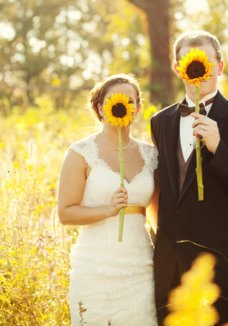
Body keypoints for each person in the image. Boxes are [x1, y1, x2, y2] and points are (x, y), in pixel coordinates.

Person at [150, 30, 228, 325]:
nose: (198, 71)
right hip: (171, 270)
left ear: (219, 66)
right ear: (179, 68)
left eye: (206, 63)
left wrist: (220, 150)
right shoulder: (160, 122)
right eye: (191, 64)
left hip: (225, 269)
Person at [58, 74, 159, 325]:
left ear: (136, 109)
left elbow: (158, 218)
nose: (123, 104)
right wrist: (108, 209)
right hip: (94, 267)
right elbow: (65, 213)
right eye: (115, 99)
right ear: (101, 108)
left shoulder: (151, 154)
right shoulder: (81, 152)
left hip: (140, 267)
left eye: (130, 100)